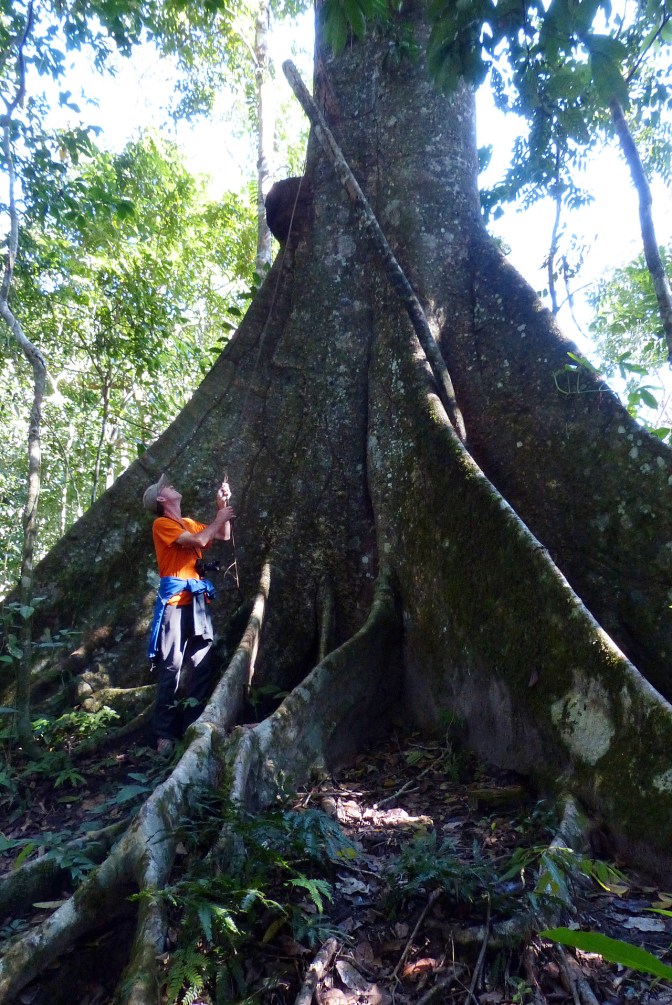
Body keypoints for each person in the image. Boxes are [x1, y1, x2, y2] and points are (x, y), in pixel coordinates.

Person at [143, 473, 235, 755]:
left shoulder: (189, 522)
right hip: (173, 603)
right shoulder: (162, 524)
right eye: (167, 487)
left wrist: (221, 507)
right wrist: (220, 518)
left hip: (196, 600)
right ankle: (164, 735)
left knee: (202, 663)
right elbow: (197, 539)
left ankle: (192, 726)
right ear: (161, 498)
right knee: (171, 666)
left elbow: (222, 534)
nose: (172, 486)